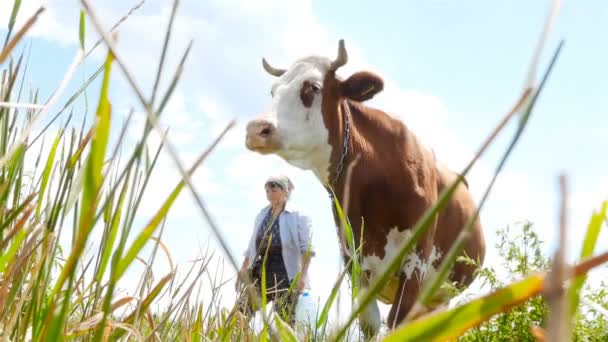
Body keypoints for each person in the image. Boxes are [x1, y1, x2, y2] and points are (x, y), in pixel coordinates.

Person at [235, 175, 315, 325]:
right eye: (266, 190)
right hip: (262, 272)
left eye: (273, 188)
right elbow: (252, 246)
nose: (269, 192)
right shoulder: (262, 215)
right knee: (240, 314)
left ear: (285, 191)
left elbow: (307, 249)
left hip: (286, 275)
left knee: (283, 323)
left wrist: (302, 276)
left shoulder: (298, 216)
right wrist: (244, 269)